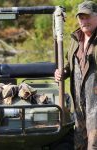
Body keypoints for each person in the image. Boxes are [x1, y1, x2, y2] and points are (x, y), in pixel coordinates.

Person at [54, 1, 97, 150]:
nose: (84, 21)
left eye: (88, 17)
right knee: (79, 144)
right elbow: (70, 64)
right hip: (78, 106)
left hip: (96, 106)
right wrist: (63, 72)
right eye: (81, 18)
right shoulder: (75, 39)